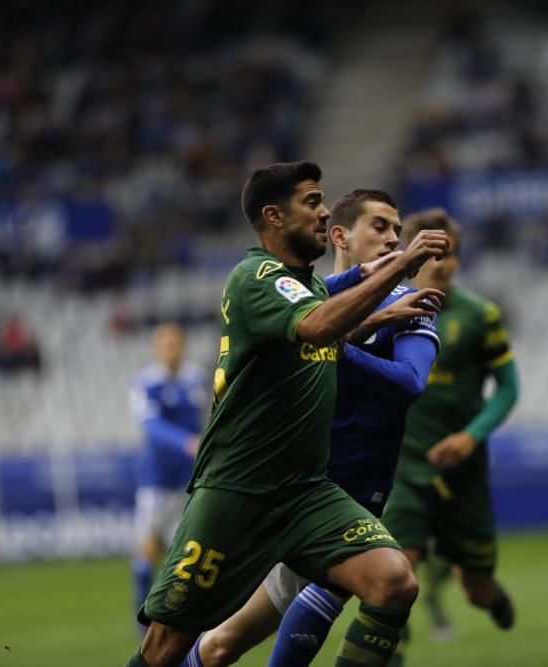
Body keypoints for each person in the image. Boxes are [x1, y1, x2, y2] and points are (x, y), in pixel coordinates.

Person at [126, 162, 448, 667]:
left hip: (307, 493)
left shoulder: (309, 287)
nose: (323, 212)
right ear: (274, 216)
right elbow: (319, 328)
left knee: (393, 581)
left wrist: (382, 305)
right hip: (239, 491)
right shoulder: (256, 276)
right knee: (171, 645)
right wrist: (401, 265)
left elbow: (327, 325)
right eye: (312, 202)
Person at [382, 208, 520, 663]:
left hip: (465, 470)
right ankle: (386, 650)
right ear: (410, 253)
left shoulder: (481, 315)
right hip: (404, 467)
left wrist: (471, 437)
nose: (441, 264)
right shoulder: (383, 308)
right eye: (432, 253)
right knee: (394, 577)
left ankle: (491, 597)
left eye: (451, 254)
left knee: (475, 589)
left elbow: (508, 388)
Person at [128, 323, 207, 632]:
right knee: (148, 547)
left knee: (187, 550)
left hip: (189, 480)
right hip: (156, 481)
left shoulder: (195, 379)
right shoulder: (146, 383)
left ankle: (180, 613)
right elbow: (150, 425)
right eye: (165, 344)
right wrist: (186, 443)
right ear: (156, 348)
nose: (171, 348)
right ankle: (141, 614)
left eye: (176, 343)